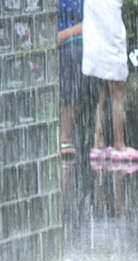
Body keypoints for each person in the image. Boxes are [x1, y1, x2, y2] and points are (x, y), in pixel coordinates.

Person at [83, 0, 138, 162]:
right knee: (118, 94)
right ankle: (119, 146)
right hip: (110, 42)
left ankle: (99, 145)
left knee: (102, 96)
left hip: (94, 44)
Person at [58, 0, 87, 159]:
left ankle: (65, 136)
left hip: (73, 39)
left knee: (73, 54)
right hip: (46, 36)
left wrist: (62, 36)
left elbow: (90, 22)